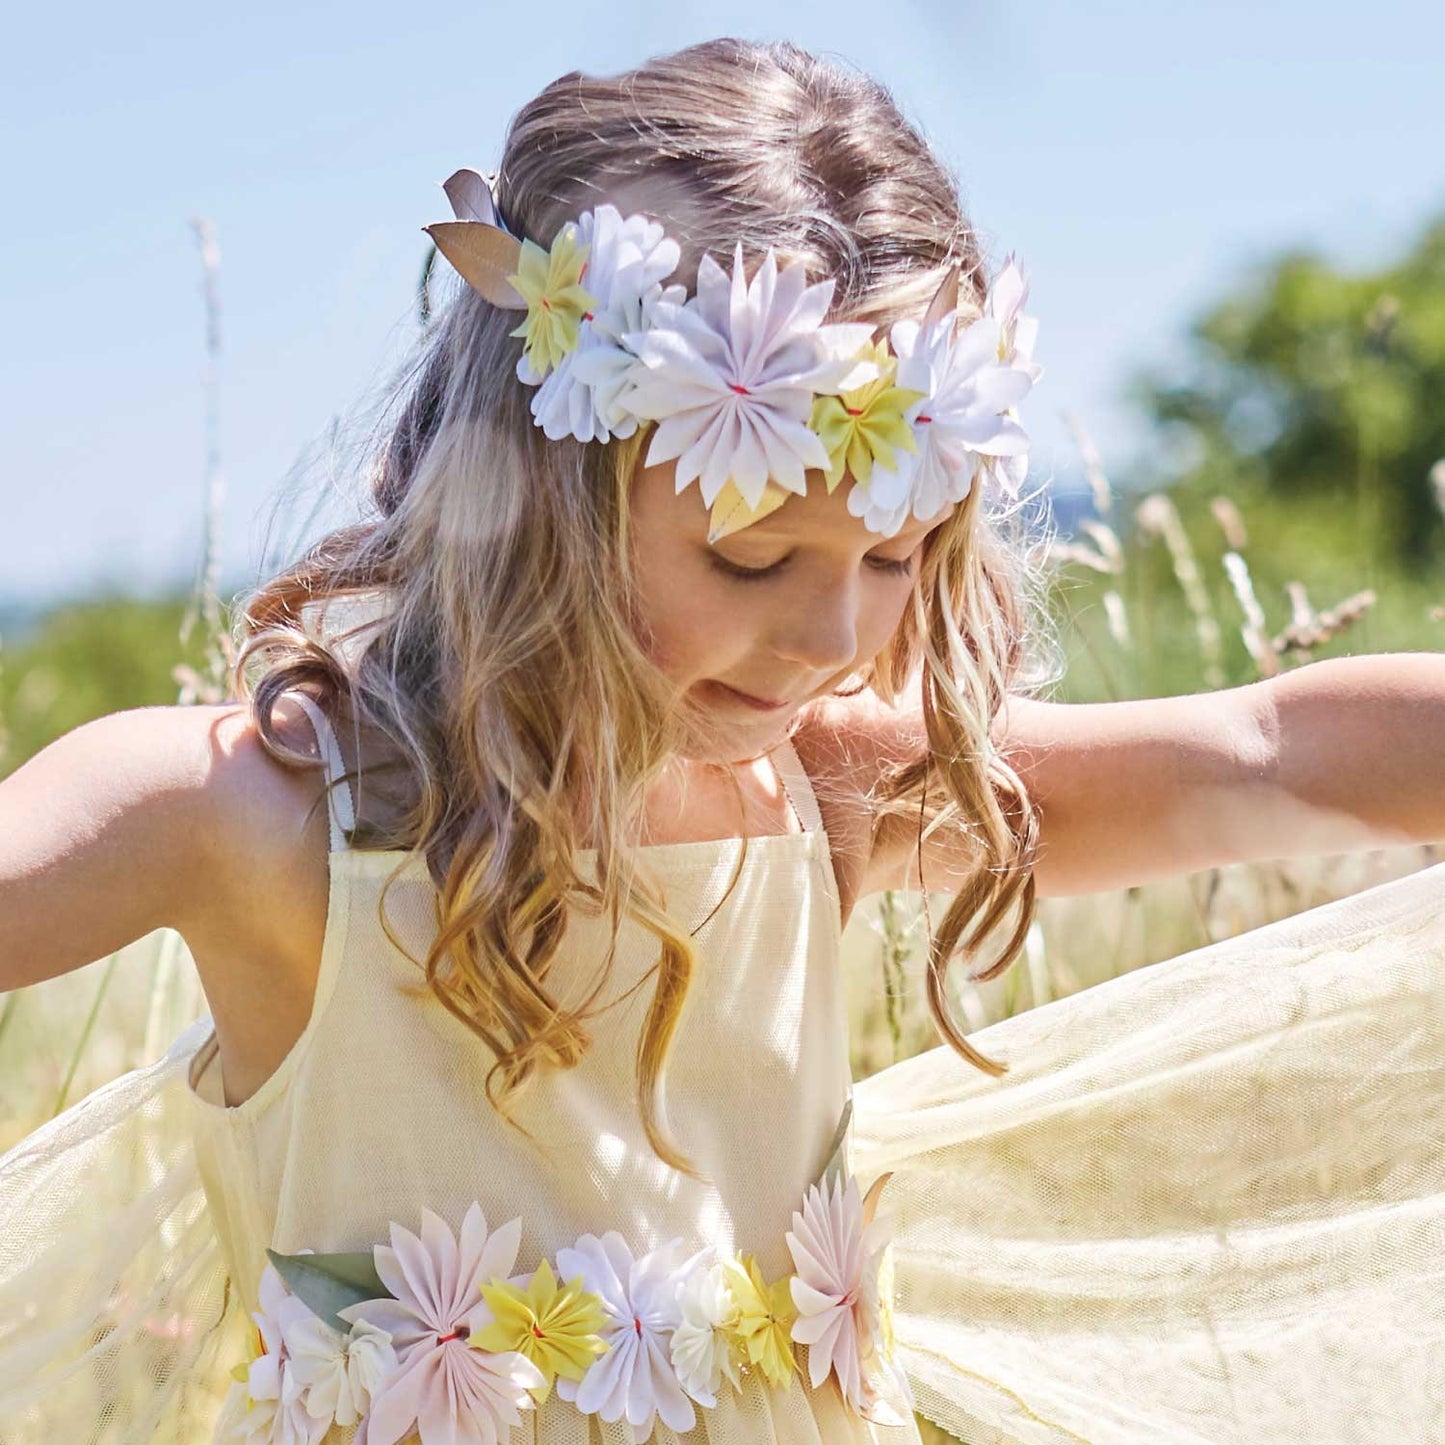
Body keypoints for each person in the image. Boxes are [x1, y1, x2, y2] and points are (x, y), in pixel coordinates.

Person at [2, 34, 1444, 1445]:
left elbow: (1269, 748)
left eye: (897, 555)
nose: (832, 637)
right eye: (752, 559)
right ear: (539, 508)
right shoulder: (256, 823)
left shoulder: (822, 794)